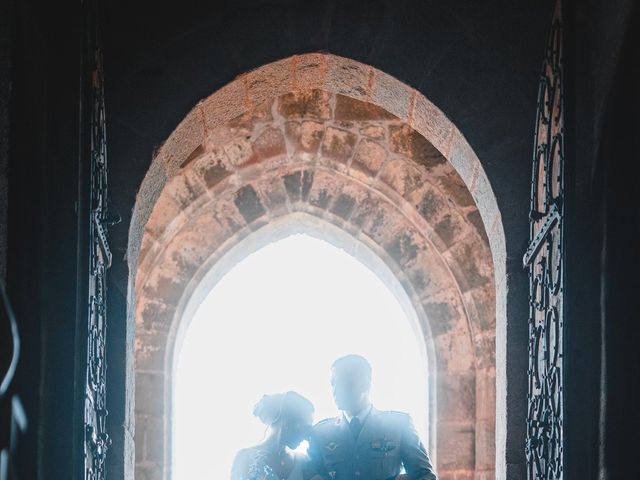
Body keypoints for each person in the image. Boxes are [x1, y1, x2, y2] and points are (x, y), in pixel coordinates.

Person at [304, 355, 437, 480]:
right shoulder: (321, 434)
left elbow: (425, 475)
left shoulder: (398, 426)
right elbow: (310, 476)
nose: (335, 391)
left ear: (365, 383)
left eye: (342, 382)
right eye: (332, 384)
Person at [231, 391, 314, 480]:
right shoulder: (246, 459)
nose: (307, 435)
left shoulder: (302, 461)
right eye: (305, 427)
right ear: (287, 422)